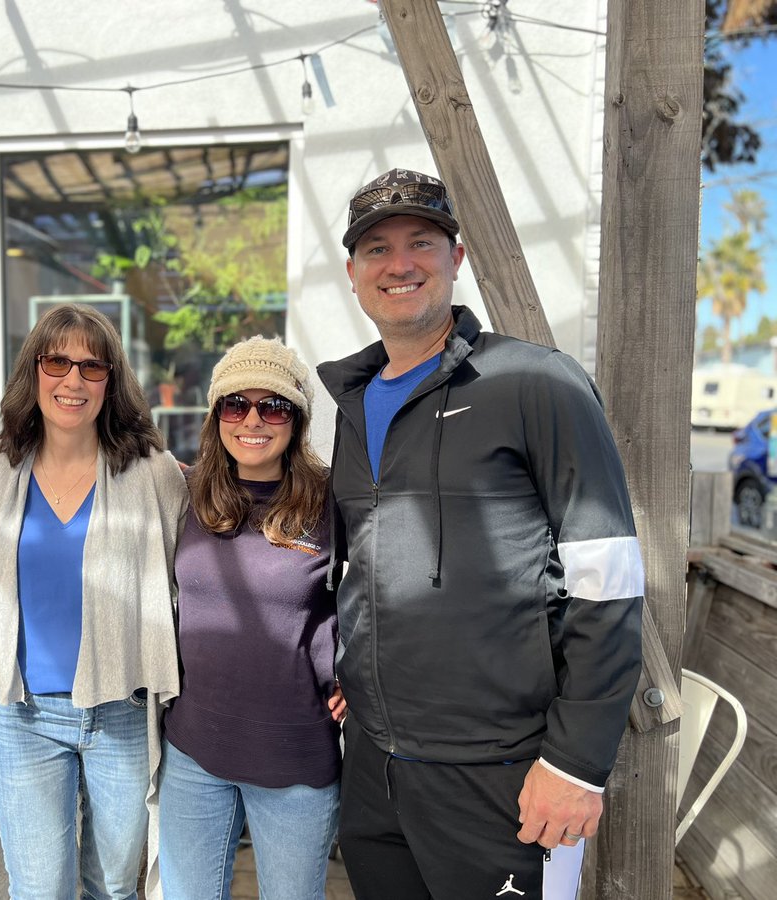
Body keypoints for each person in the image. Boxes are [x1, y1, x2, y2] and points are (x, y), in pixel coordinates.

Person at [317, 168, 644, 899]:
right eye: (376, 249)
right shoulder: (350, 406)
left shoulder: (536, 384)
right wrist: (353, 665)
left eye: (421, 242)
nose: (399, 264)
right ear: (352, 272)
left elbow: (611, 579)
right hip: (376, 768)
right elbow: (369, 567)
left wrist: (575, 764)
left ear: (456, 257)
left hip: (502, 776)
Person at [0, 303, 187, 900]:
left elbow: (195, 577)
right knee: (39, 890)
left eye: (92, 366)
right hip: (21, 713)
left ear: (113, 381)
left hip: (121, 712)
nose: (73, 381)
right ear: (33, 371)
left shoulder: (154, 473)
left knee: (113, 888)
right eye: (57, 362)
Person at [158, 337, 347, 900]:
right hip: (193, 749)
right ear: (217, 415)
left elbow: (379, 596)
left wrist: (358, 674)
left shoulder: (332, 501)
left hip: (295, 754)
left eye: (274, 406)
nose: (253, 420)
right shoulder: (186, 492)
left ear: (298, 419)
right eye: (236, 405)